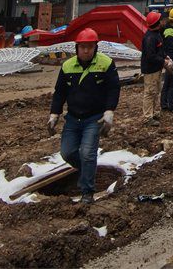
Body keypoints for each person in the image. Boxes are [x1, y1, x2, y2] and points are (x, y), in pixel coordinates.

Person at [47, 28, 120, 204]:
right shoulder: (68, 66)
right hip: (72, 118)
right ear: (77, 47)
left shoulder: (105, 63)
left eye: (90, 47)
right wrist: (54, 113)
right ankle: (89, 170)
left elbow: (113, 88)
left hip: (94, 118)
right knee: (67, 152)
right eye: (83, 47)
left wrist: (109, 111)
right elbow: (60, 92)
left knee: (87, 153)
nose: (86, 50)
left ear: (96, 47)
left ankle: (87, 192)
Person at [141, 11, 167, 124]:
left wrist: (165, 57)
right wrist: (163, 61)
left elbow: (159, 51)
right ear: (157, 22)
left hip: (156, 68)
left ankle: (154, 113)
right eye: (160, 20)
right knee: (149, 92)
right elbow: (151, 56)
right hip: (150, 69)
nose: (162, 21)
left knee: (156, 91)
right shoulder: (150, 38)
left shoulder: (156, 34)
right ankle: (147, 117)